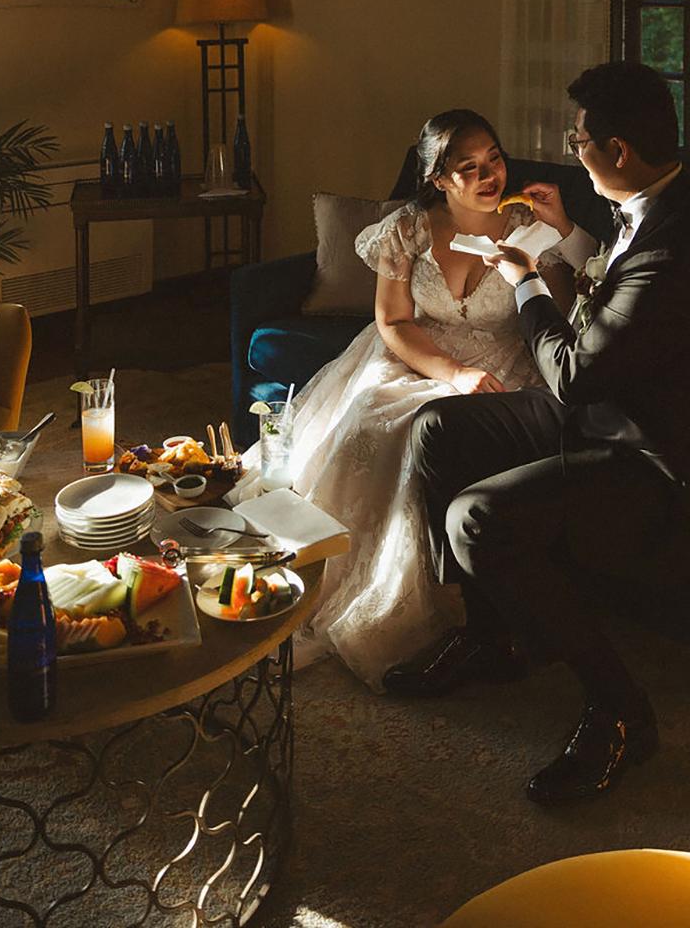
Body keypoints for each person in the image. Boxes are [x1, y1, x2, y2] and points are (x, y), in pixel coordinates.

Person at [384, 62, 690, 806]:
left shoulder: (676, 242)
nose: (570, 149)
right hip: (605, 411)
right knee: (437, 429)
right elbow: (609, 318)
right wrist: (565, 253)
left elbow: (576, 374)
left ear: (615, 149)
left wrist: (521, 279)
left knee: (473, 516)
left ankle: (620, 710)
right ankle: (493, 636)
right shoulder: (647, 205)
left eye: (578, 139)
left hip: (647, 453)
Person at [232, 109, 562, 691]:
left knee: (430, 434)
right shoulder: (407, 229)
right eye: (469, 167)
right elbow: (393, 320)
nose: (490, 176)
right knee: (369, 420)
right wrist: (451, 372)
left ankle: (450, 610)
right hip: (420, 348)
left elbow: (556, 312)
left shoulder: (528, 223)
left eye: (495, 160)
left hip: (506, 356)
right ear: (439, 178)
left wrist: (556, 238)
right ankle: (326, 567)